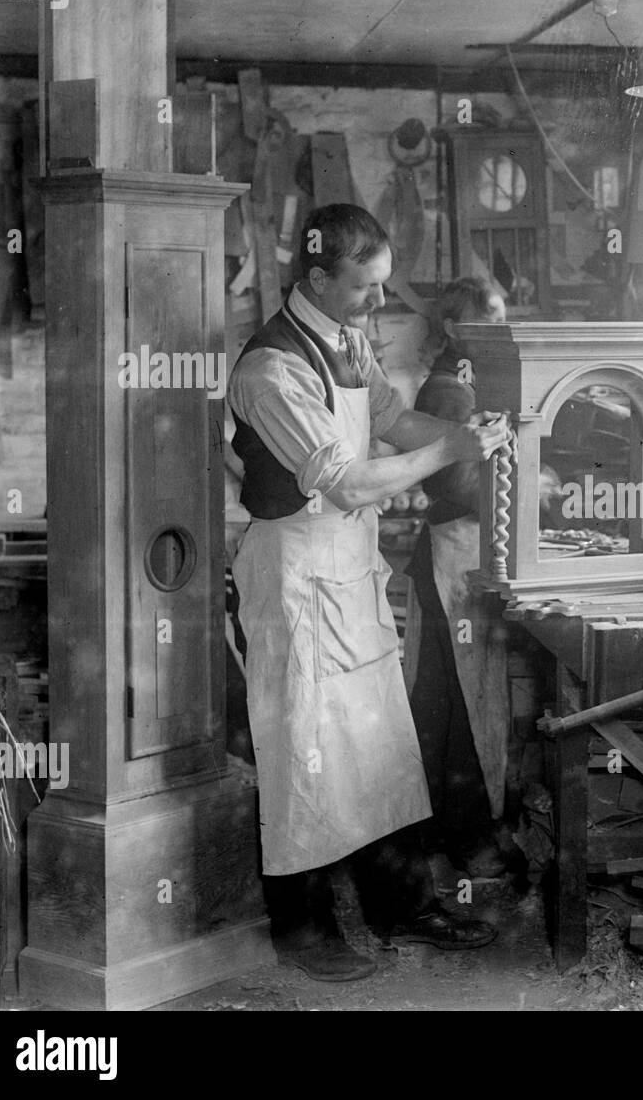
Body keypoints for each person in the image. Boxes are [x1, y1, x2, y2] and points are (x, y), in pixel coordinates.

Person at [227, 205, 511, 981]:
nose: (379, 304)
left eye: (384, 286)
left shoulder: (346, 340)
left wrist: (468, 435)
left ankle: (401, 903)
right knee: (305, 754)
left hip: (348, 569)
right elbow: (348, 483)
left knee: (382, 745)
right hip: (296, 573)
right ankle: (303, 926)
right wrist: (450, 449)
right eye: (365, 288)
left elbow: (390, 416)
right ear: (317, 278)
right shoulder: (271, 369)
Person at [402, 277, 513, 878]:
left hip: (466, 555)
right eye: (490, 316)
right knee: (457, 707)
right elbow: (448, 482)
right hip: (453, 558)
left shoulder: (470, 379)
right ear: (452, 327)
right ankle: (463, 841)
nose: (503, 324)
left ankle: (458, 834)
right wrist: (529, 486)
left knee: (459, 703)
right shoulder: (447, 390)